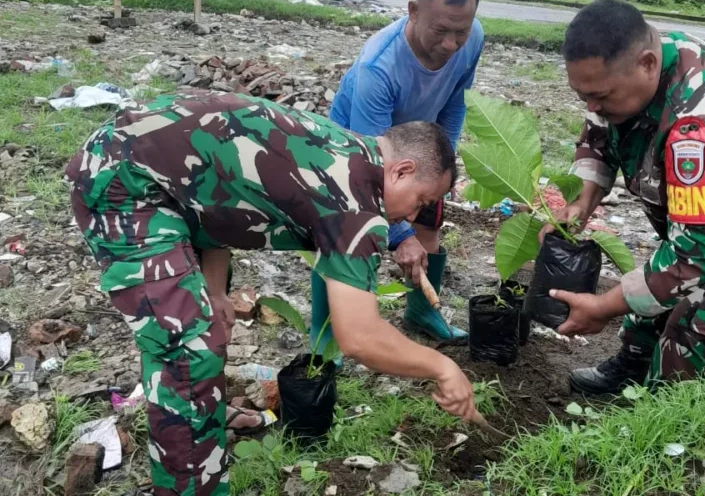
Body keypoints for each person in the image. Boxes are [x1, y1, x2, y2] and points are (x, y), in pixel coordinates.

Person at [65, 90, 477, 495]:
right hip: (124, 184)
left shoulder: (345, 150)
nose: (411, 215)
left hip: (148, 169)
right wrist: (443, 368)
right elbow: (360, 337)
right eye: (421, 200)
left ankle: (199, 419)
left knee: (206, 325)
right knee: (191, 351)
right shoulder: (356, 203)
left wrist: (214, 288)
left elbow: (214, 186)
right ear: (401, 170)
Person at [539, 0, 705, 395]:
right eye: (583, 96)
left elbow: (694, 258)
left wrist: (603, 308)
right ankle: (631, 367)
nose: (592, 107)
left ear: (646, 64)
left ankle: (669, 417)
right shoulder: (628, 73)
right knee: (659, 291)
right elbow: (598, 139)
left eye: (601, 97)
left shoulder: (702, 124)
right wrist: (581, 203)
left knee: (698, 321)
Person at [306, 0, 484, 353]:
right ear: (414, 11)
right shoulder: (379, 66)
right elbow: (370, 165)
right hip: (357, 145)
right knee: (348, 234)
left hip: (421, 141)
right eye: (441, 31)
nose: (451, 44)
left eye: (459, 32)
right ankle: (325, 336)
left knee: (428, 223)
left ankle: (421, 312)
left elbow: (454, 103)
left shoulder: (473, 38)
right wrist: (400, 235)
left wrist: (439, 171)